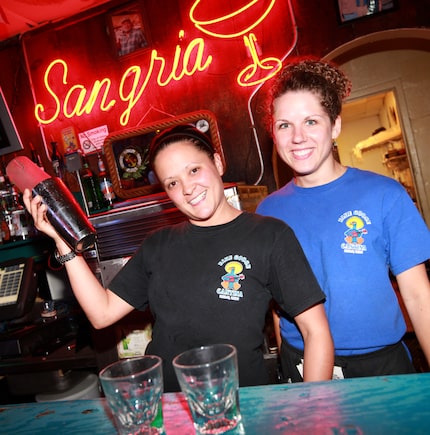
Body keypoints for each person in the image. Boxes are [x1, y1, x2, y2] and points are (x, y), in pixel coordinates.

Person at [24, 124, 334, 392]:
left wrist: (310, 413)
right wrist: (63, 243)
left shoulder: (269, 235)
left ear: (217, 162)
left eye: (194, 170)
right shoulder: (158, 245)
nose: (187, 188)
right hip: (168, 405)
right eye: (172, 183)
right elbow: (101, 313)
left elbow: (315, 331)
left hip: (241, 402)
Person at [257, 57, 430, 382]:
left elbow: (419, 296)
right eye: (284, 125)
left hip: (380, 367)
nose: (297, 137)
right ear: (274, 133)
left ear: (335, 125)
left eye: (311, 121)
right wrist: (285, 362)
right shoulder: (267, 211)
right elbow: (278, 309)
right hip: (302, 362)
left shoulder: (385, 194)